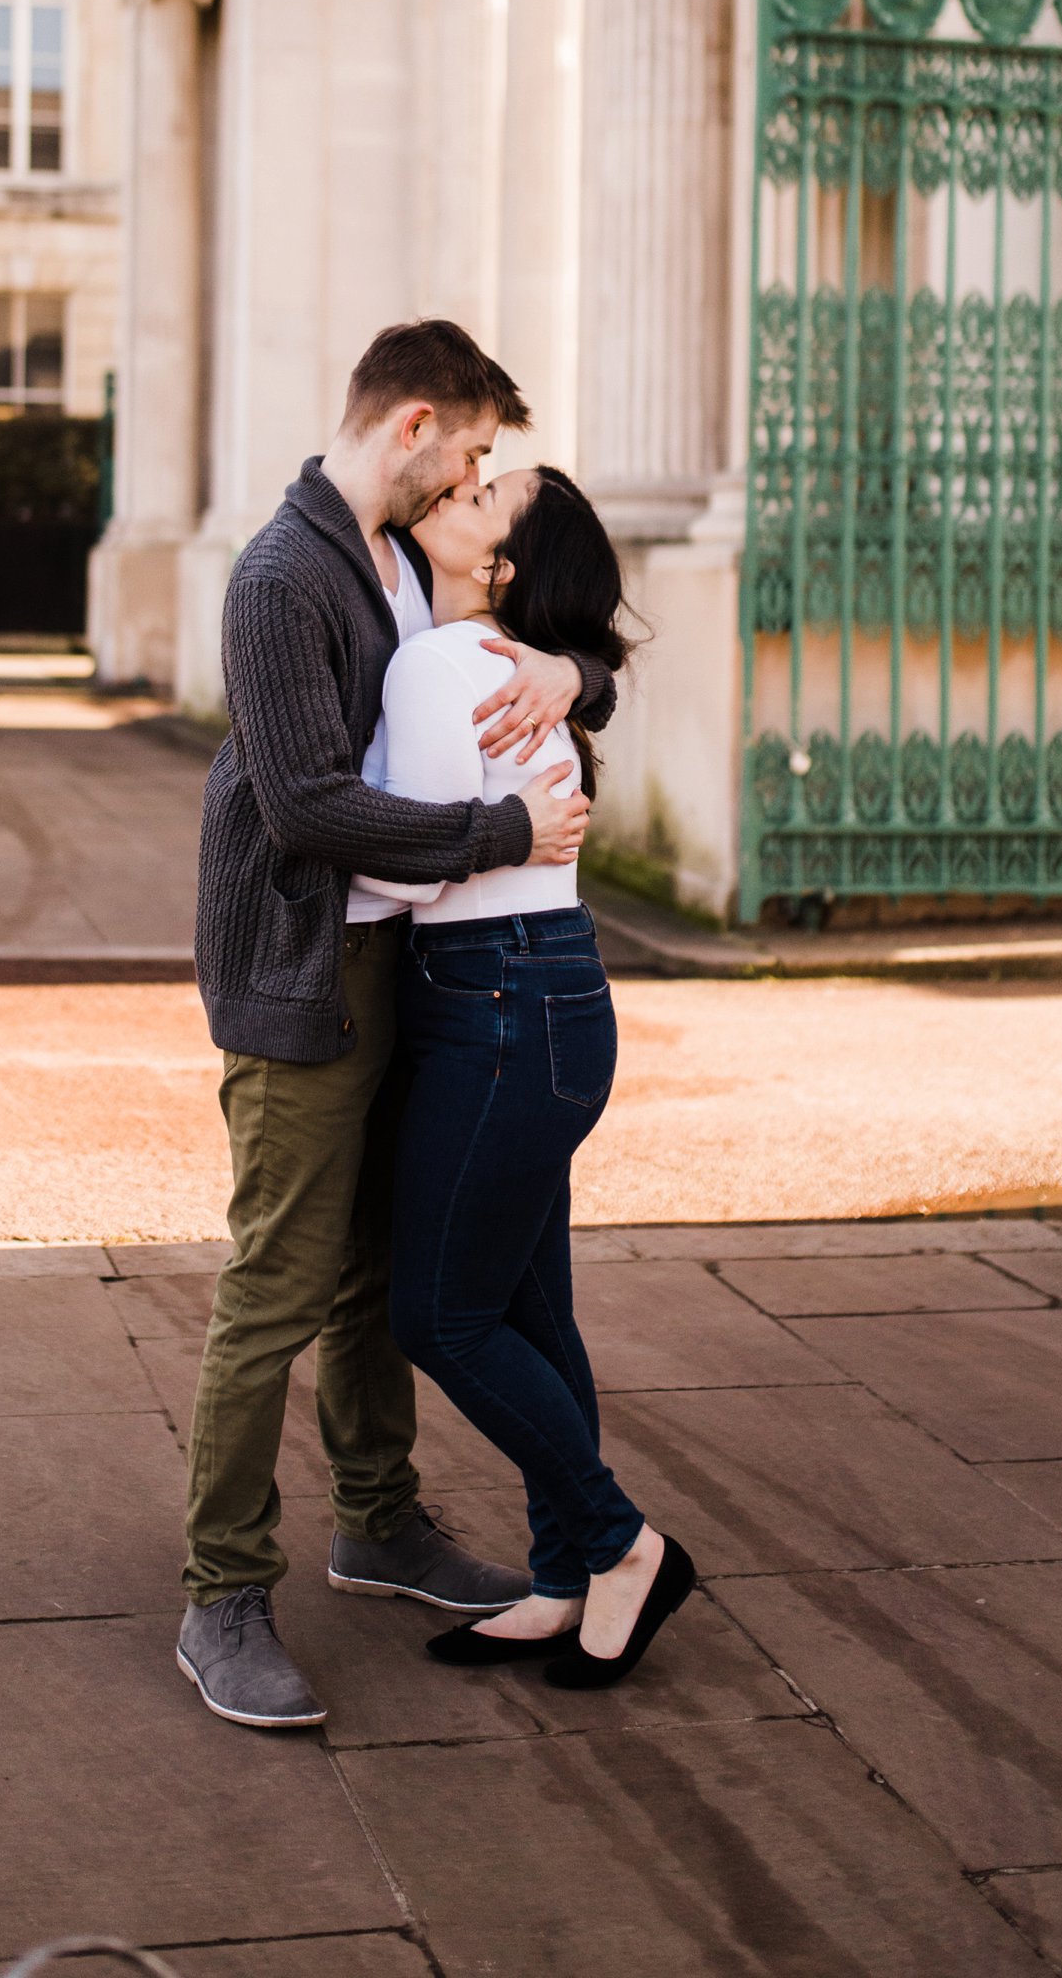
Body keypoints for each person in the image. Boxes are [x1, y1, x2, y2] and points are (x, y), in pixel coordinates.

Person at [176, 320, 618, 1730]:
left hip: (402, 975)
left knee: (377, 1278)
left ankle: (379, 1523)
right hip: (301, 977)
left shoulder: (391, 564)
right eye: (478, 452)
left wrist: (573, 675)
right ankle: (222, 1594)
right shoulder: (281, 574)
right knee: (278, 1286)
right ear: (417, 424)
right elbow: (307, 806)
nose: (480, 478)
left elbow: (512, 653)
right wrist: (502, 827)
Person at [363, 464, 694, 1687]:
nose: (457, 485)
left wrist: (307, 853)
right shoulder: (493, 660)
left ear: (497, 566)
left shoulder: (438, 663)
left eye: (483, 494)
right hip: (541, 998)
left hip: (495, 1005)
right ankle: (564, 1576)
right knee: (527, 1311)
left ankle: (618, 1545)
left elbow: (408, 871)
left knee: (438, 1316)